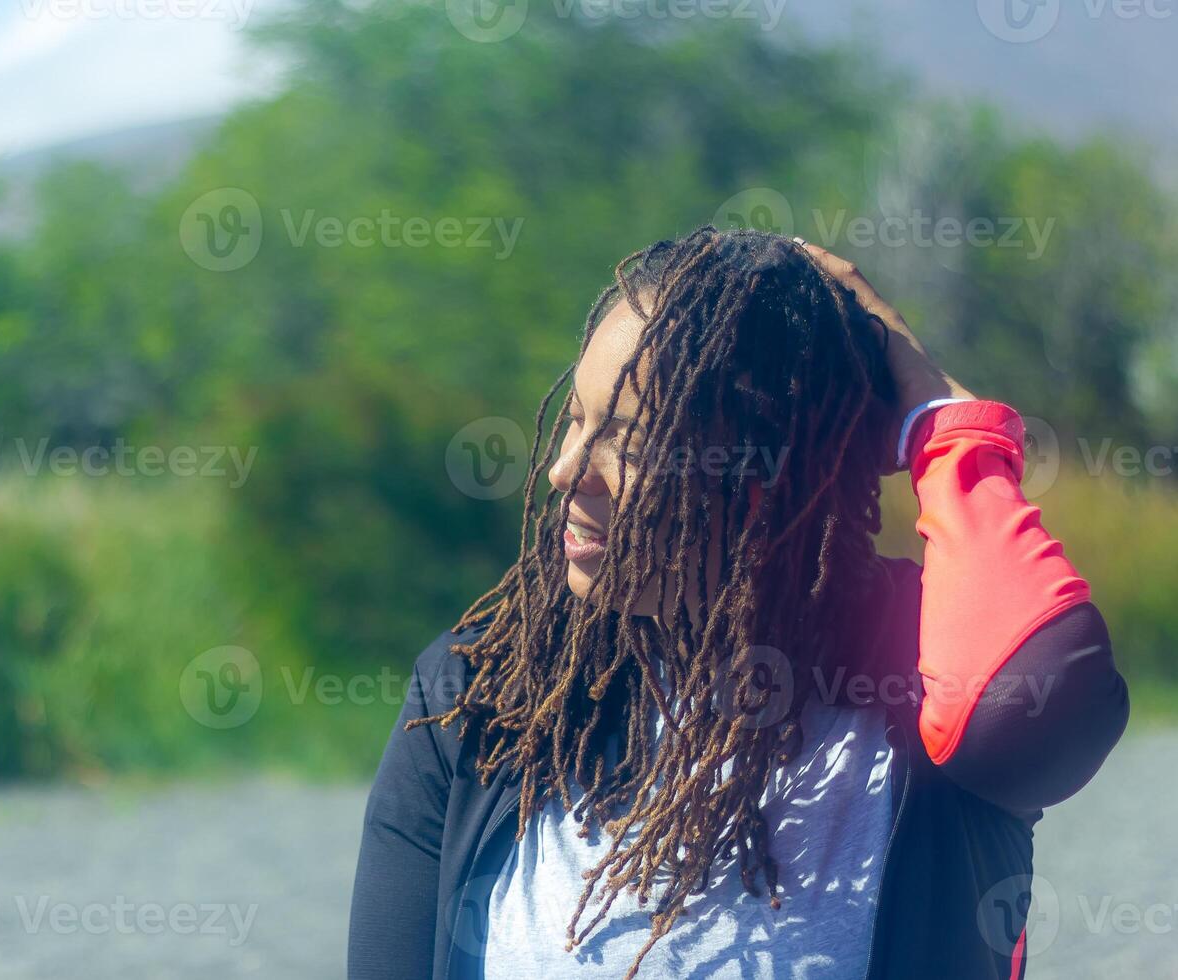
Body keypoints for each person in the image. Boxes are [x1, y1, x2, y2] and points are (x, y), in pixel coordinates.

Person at [346, 227, 1129, 980]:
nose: (565, 470)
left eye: (629, 439)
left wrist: (945, 425)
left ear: (774, 470)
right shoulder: (486, 691)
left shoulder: (913, 674)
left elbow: (1038, 715)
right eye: (578, 420)